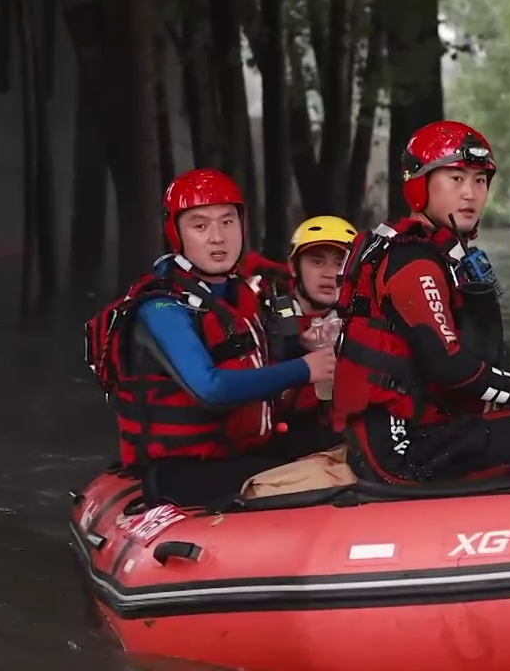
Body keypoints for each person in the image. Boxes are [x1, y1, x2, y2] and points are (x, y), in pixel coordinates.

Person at [331, 120, 510, 485]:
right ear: (419, 184)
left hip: (431, 432)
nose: (471, 194)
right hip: (401, 454)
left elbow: (489, 354)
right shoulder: (413, 262)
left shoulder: (446, 256)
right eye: (456, 178)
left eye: (480, 180)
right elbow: (447, 364)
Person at [84, 169, 338, 503]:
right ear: (176, 233)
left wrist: (307, 346)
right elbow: (210, 389)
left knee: (347, 443)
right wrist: (305, 368)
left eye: (227, 222)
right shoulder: (161, 308)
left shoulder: (241, 294)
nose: (218, 237)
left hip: (238, 451)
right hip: (183, 472)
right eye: (200, 226)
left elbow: (264, 358)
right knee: (330, 478)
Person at [272, 216, 358, 438]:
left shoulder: (363, 322)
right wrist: (298, 347)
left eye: (339, 263)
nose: (329, 273)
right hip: (275, 444)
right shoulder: (264, 314)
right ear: (294, 266)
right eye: (317, 262)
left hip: (336, 442)